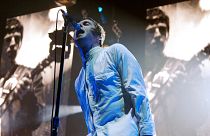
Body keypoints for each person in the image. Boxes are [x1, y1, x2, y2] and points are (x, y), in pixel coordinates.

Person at [74, 18, 155, 136]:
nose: (79, 26)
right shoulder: (78, 81)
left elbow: (139, 94)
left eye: (86, 24)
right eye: (78, 24)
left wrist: (147, 133)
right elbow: (89, 120)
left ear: (99, 37)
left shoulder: (115, 52)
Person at [0, 18, 43, 136]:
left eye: (17, 38)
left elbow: (37, 120)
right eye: (8, 39)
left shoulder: (30, 74)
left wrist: (29, 96)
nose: (13, 43)